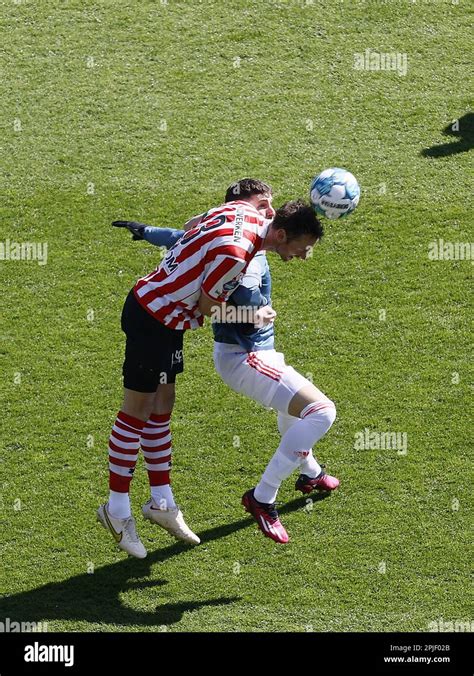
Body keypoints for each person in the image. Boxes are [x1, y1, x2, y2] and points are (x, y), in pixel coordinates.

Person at [99, 181, 320, 557]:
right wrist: (255, 313)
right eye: (300, 249)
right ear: (280, 235)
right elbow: (207, 309)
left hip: (167, 322)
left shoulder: (243, 212)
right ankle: (116, 510)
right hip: (151, 317)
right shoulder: (237, 255)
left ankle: (161, 502)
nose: (302, 257)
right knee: (136, 412)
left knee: (161, 406)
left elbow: (191, 224)